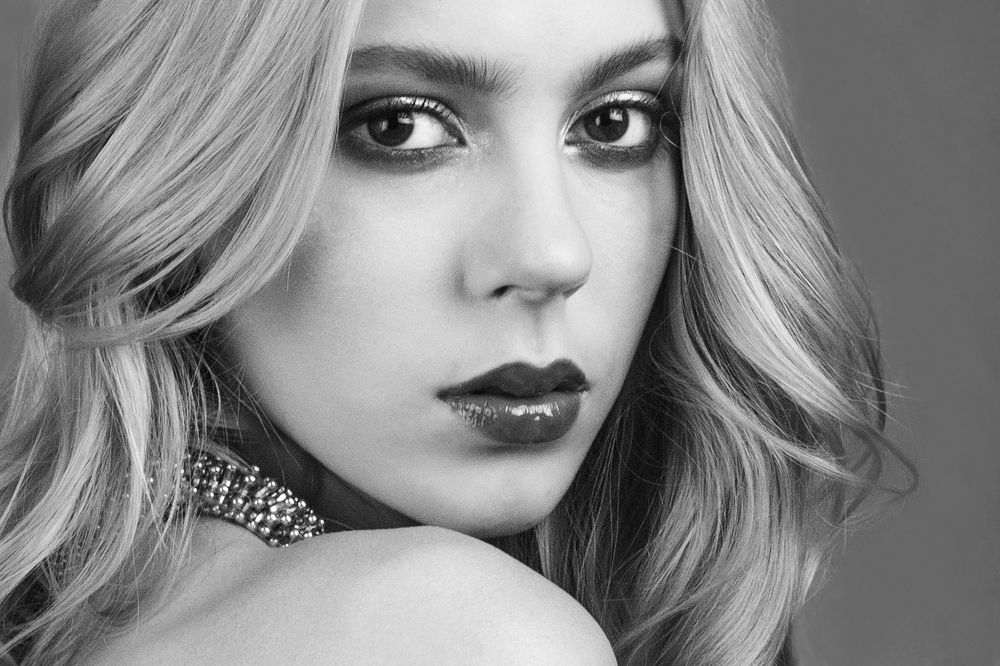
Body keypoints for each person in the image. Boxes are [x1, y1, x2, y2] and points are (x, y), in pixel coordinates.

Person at [0, 0, 909, 663]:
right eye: (399, 128)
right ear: (179, 175)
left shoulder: (103, 618)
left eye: (615, 123)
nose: (555, 255)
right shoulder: (459, 635)